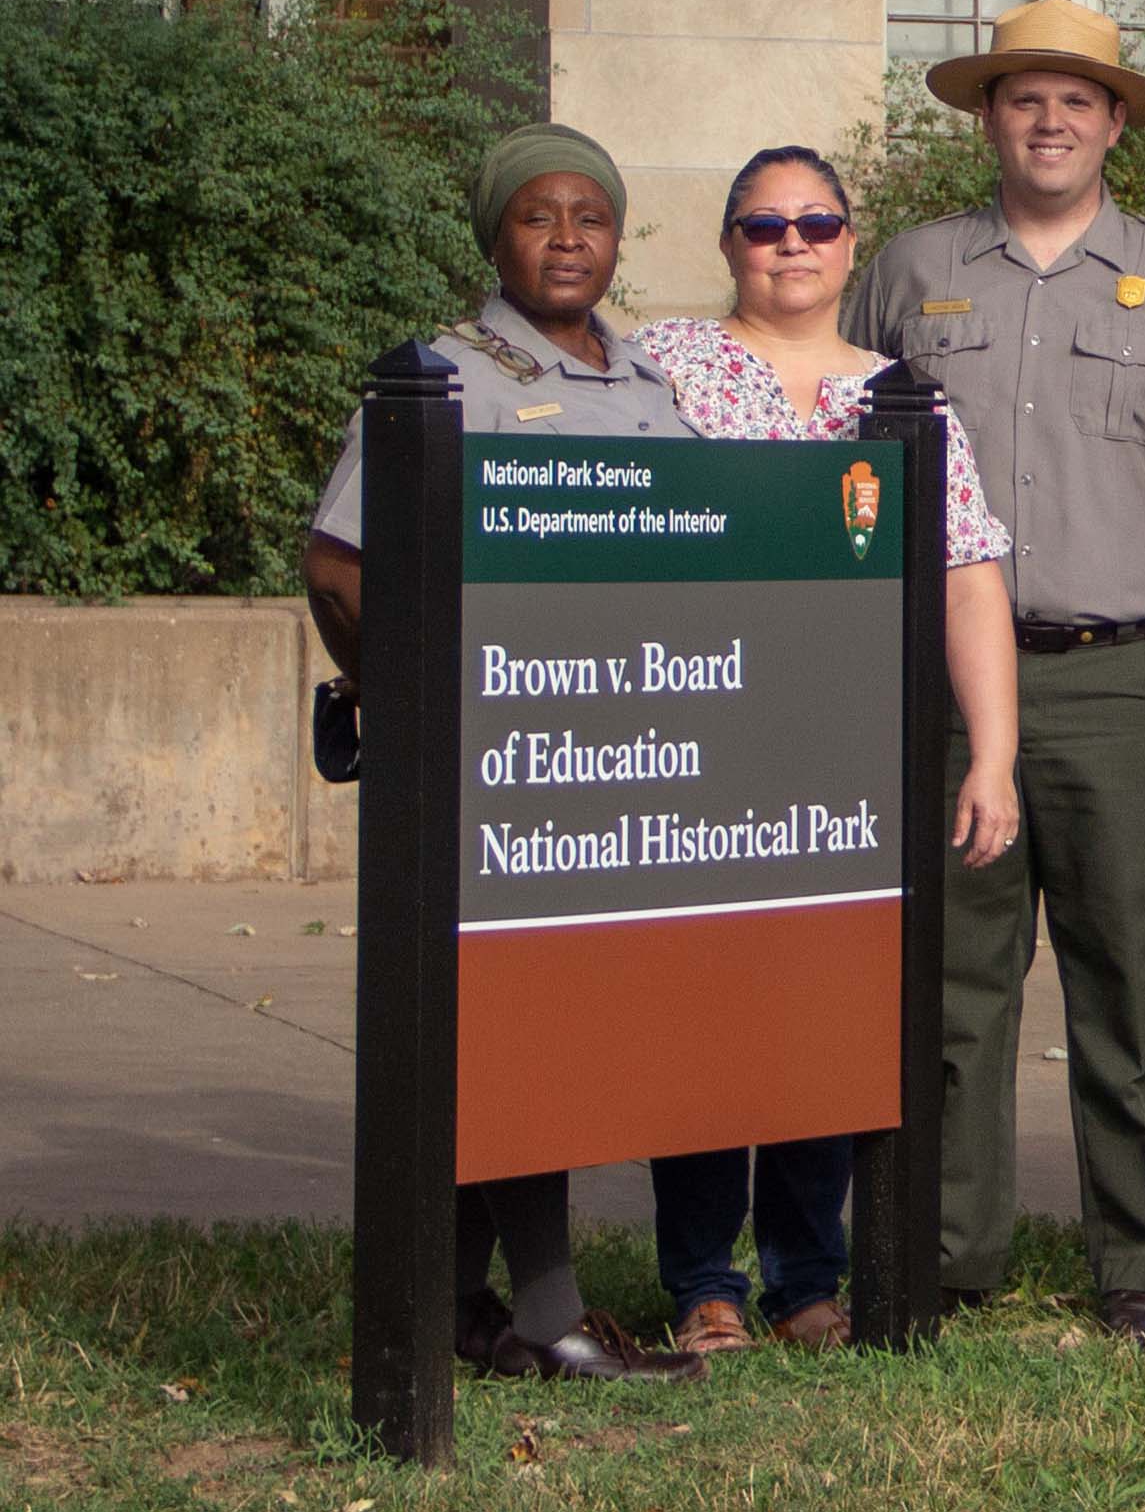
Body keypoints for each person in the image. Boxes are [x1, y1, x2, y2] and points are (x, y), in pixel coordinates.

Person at [843, 0, 1145, 1345]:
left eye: (1076, 103)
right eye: (1025, 99)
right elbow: (841, 441)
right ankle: (944, 1248)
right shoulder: (910, 272)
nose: (1049, 122)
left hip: (1125, 677)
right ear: (987, 118)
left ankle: (1139, 1264)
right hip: (948, 681)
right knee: (955, 981)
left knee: (1127, 975)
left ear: (1115, 124)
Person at [299, 123, 708, 1386]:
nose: (568, 237)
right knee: (520, 1033)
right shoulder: (444, 376)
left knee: (566, 1030)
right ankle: (547, 1319)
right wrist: (416, 701)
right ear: (495, 236)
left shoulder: (647, 383)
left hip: (626, 765)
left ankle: (451, 1302)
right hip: (500, 769)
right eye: (539, 215)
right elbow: (337, 562)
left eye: (590, 215)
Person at [633, 145, 1026, 1356]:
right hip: (708, 734)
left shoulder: (902, 394)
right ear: (729, 244)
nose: (791, 243)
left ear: (851, 242)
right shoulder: (668, 369)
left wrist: (992, 754)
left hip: (853, 745)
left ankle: (807, 1279)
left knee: (818, 1012)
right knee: (707, 1009)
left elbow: (968, 575)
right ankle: (704, 1281)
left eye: (815, 222)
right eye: (764, 225)